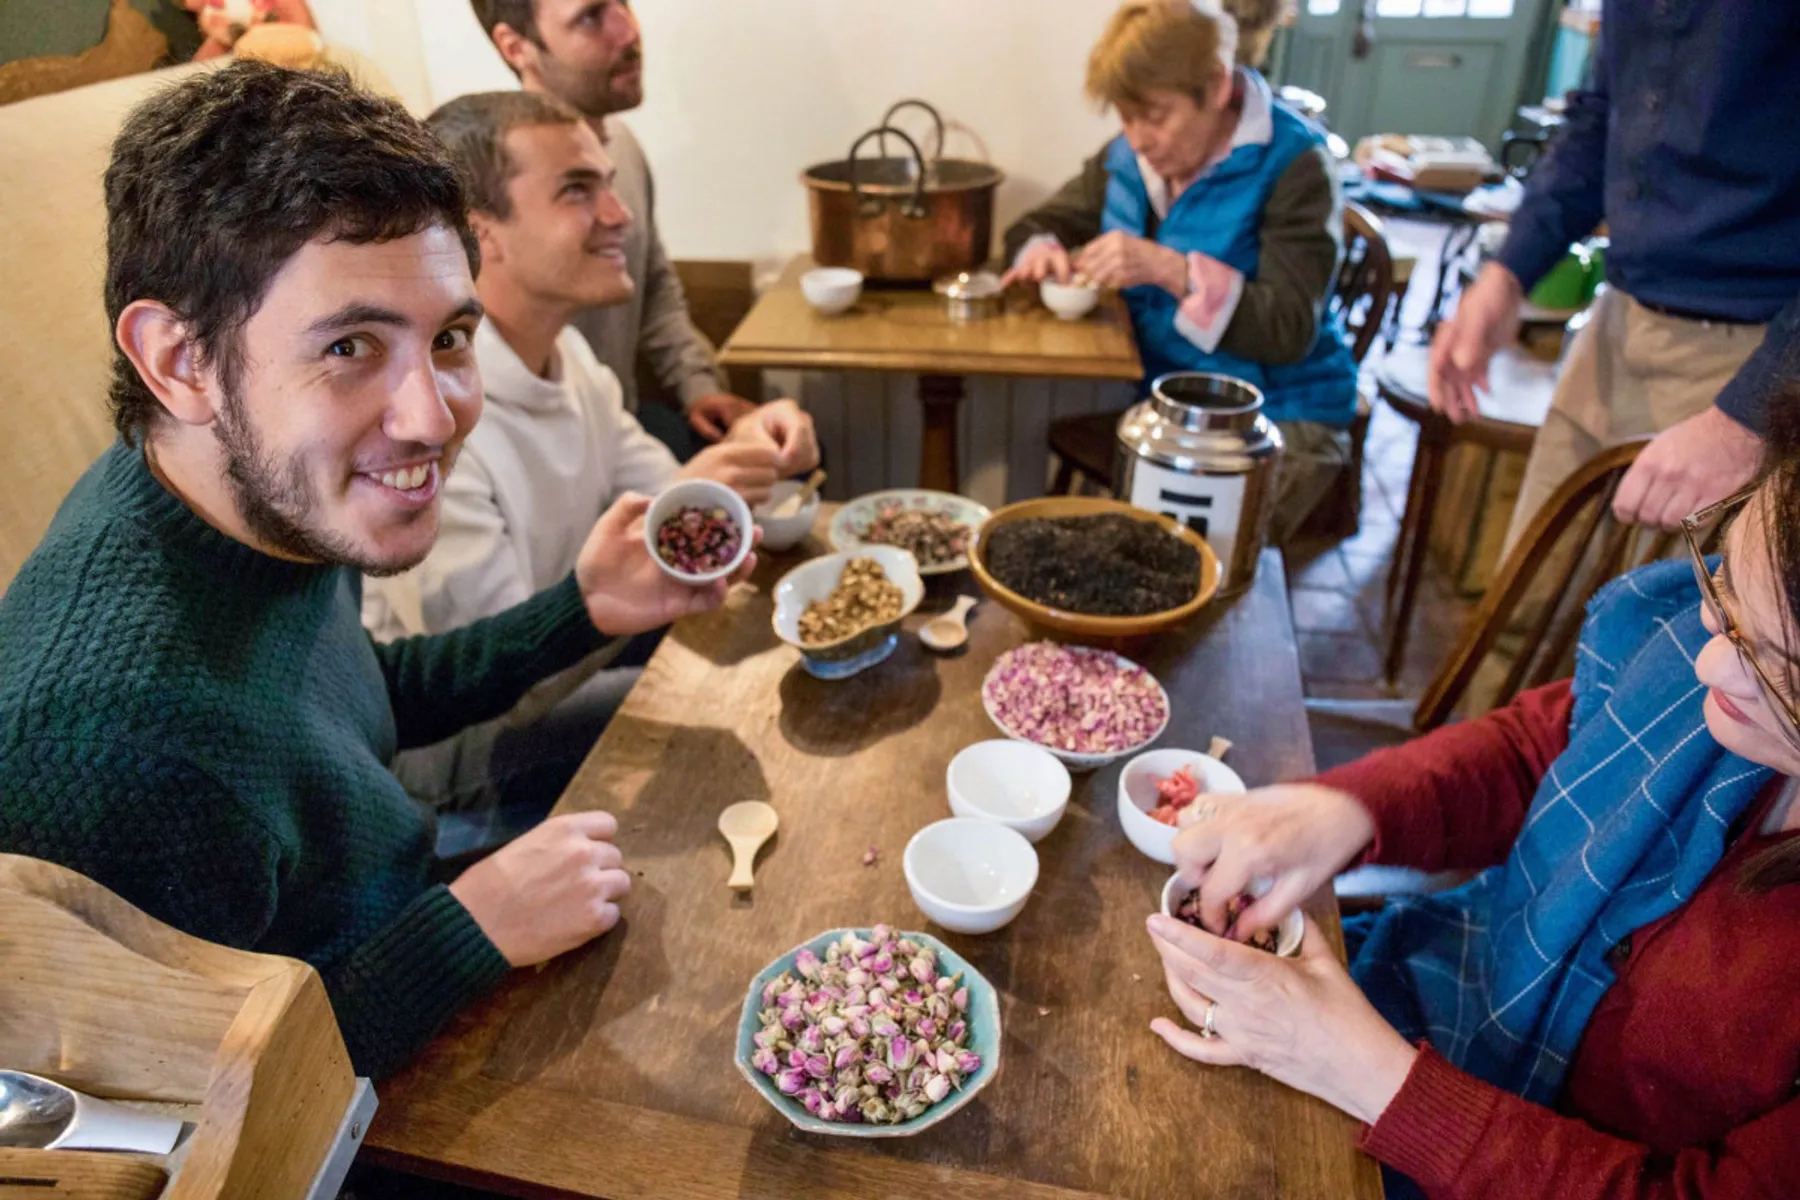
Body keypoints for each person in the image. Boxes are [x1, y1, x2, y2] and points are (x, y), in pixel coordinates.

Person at [0, 62, 754, 1080]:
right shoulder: (110, 744)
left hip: (414, 908)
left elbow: (354, 707)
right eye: (350, 345)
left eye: (448, 337)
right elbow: (206, 1100)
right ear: (177, 361)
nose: (434, 417)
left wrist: (579, 609)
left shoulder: (243, 491)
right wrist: (467, 928)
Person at [1142, 394, 1800, 1195]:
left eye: (1775, 669)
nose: (1707, 666)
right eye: (1724, 586)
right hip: (1448, 989)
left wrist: (1375, 1078)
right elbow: (1544, 749)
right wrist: (1349, 809)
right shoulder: (1702, 660)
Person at [362, 89, 818, 819]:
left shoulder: (568, 355)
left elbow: (677, 496)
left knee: (768, 669)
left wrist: (757, 443)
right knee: (728, 733)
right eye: (579, 190)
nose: (619, 214)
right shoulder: (432, 429)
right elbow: (495, 684)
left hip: (567, 666)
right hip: (462, 744)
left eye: (609, 183)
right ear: (483, 234)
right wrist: (674, 525)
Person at [1429, 2, 1800, 543]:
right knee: (1529, 593)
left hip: (1751, 356)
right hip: (1616, 320)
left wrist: (1746, 420)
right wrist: (1508, 273)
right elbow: (1602, 116)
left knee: (1667, 624)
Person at [1000, 0, 1357, 543]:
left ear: (1215, 87)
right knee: (1136, 562)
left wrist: (1171, 270)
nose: (1138, 138)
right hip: (1174, 417)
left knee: (1200, 572)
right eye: (1125, 117)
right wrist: (1042, 250)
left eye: (1155, 116)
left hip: (1281, 420)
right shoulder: (1128, 160)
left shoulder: (1293, 164)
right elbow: (1037, 225)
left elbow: (1287, 329)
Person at [469, 0, 758, 459]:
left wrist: (698, 387)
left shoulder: (623, 148)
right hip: (541, 450)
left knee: (784, 463)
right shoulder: (485, 183)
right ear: (516, 45)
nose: (628, 32)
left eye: (623, 4)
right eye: (591, 16)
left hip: (619, 424)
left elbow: (655, 284)